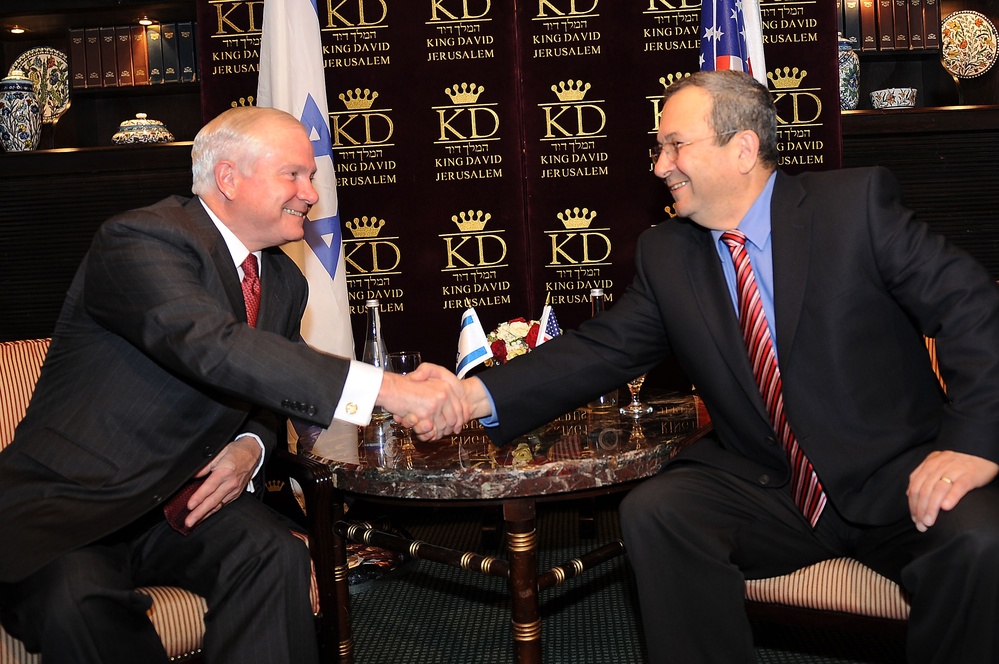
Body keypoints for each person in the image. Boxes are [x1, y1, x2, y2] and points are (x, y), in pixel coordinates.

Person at [451, 71, 999, 663]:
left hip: (897, 478)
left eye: (675, 145)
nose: (660, 166)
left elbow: (971, 307)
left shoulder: (854, 207)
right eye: (659, 148)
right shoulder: (668, 252)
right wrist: (470, 397)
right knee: (659, 511)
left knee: (979, 542)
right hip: (771, 489)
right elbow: (600, 350)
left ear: (742, 148)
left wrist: (972, 443)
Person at [0, 106, 466, 664]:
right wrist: (387, 388)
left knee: (275, 557)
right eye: (294, 174)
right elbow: (213, 347)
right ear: (228, 178)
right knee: (76, 602)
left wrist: (251, 446)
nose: (311, 193)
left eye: (311, 176)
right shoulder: (140, 239)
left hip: (184, 502)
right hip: (71, 506)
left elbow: (268, 391)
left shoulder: (284, 280)